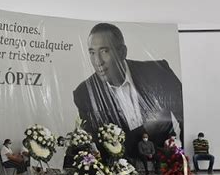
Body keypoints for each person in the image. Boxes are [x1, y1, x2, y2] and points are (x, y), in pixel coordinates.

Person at [73, 23, 184, 157]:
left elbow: (187, 115)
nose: (98, 61)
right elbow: (94, 142)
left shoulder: (158, 72)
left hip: (165, 163)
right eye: (92, 53)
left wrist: (180, 149)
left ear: (122, 52)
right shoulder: (84, 94)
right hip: (120, 169)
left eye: (104, 51)